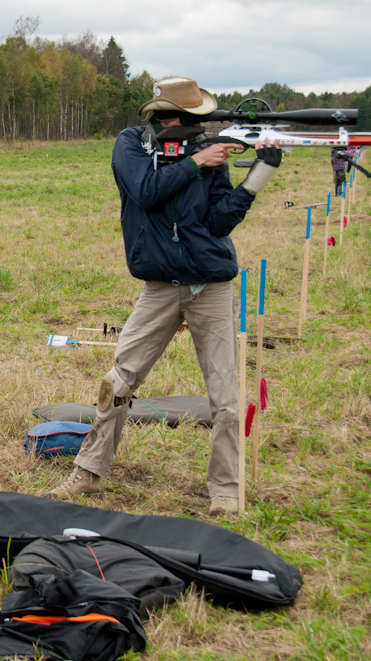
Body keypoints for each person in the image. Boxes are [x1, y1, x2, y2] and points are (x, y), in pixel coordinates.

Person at [45, 76, 282, 516]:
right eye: (195, 122)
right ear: (167, 118)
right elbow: (145, 192)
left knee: (226, 397)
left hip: (210, 284)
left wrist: (258, 176)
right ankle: (90, 472)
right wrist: (196, 163)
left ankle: (226, 490)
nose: (202, 130)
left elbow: (218, 223)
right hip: (159, 287)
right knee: (118, 382)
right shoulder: (131, 146)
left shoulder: (206, 156)